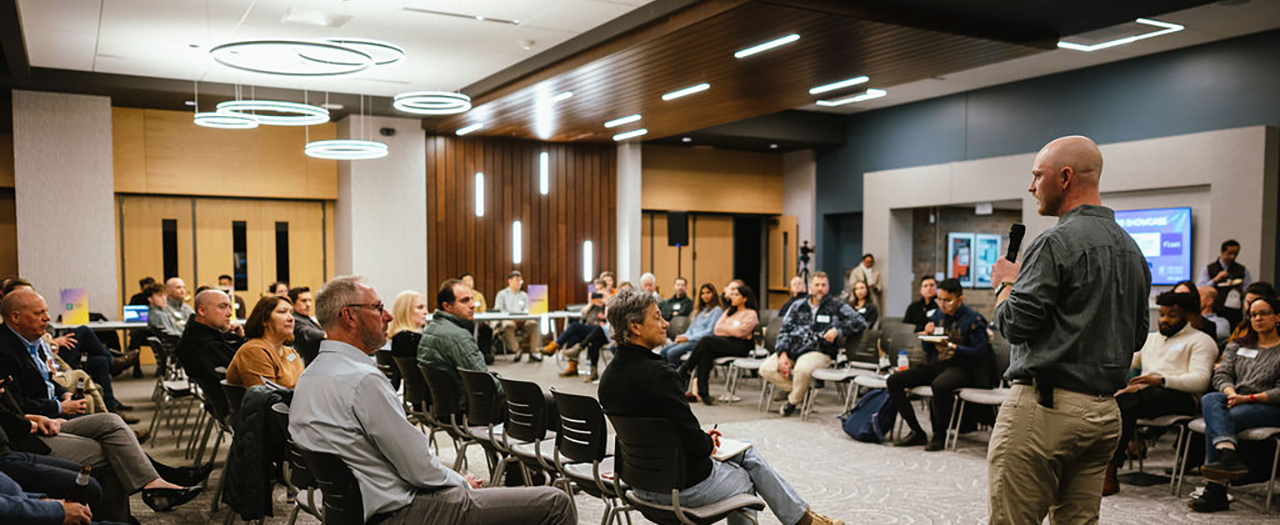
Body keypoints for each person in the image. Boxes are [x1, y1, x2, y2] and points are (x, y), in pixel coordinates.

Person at [291, 276, 574, 525]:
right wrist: (461, 481)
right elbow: (418, 468)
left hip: (351, 510)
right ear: (349, 316)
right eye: (378, 308)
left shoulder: (309, 377)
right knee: (556, 503)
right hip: (399, 511)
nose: (388, 315)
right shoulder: (363, 380)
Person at [988, 136, 1150, 525]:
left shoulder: (1053, 242)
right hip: (1103, 416)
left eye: (1036, 176)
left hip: (1044, 412)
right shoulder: (1132, 249)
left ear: (1064, 177)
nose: (1031, 187)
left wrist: (1004, 284)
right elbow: (1138, 337)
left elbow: (1014, 324)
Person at [597, 289, 843, 525]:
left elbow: (667, 432)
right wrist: (707, 442)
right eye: (657, 317)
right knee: (745, 479)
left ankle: (805, 519)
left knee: (749, 454)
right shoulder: (660, 375)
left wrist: (702, 440)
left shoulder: (607, 379)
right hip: (679, 487)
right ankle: (804, 521)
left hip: (639, 481)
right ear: (635, 327)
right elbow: (695, 448)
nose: (665, 324)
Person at [1103, 291, 1216, 496]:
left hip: (1181, 396)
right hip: (1145, 393)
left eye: (1171, 315)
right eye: (1162, 314)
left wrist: (1161, 380)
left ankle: (1110, 471)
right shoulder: (1152, 339)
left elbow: (1200, 381)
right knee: (1114, 399)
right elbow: (1128, 364)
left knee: (1127, 403)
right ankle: (1097, 465)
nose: (1164, 319)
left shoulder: (1202, 341)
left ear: (1187, 316)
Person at [1189, 295, 1280, 512]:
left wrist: (1247, 398)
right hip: (1235, 399)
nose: (1257, 318)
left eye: (1264, 313)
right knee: (1211, 398)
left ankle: (1215, 489)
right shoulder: (1237, 345)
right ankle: (1226, 452)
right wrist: (1231, 393)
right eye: (1253, 315)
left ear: (1277, 316)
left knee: (1222, 418)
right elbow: (1221, 376)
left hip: (1269, 405)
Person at [887, 278, 991, 450]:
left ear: (959, 299)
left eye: (947, 300)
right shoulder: (937, 316)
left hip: (964, 367)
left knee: (939, 385)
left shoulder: (974, 319)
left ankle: (939, 435)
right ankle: (916, 432)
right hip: (939, 364)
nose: (942, 304)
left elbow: (981, 354)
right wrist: (927, 336)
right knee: (894, 380)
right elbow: (927, 348)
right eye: (939, 299)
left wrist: (952, 347)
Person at [761, 272, 865, 417]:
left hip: (819, 350)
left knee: (801, 370)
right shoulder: (797, 305)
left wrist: (838, 330)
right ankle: (802, 390)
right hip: (793, 348)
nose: (820, 288)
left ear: (828, 287)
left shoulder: (836, 306)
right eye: (817, 285)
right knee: (766, 369)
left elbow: (860, 321)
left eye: (823, 285)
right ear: (810, 287)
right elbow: (784, 330)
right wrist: (783, 354)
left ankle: (792, 402)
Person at [418, 279, 495, 411]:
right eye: (465, 300)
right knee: (537, 401)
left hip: (442, 407)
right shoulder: (458, 337)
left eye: (472, 299)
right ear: (447, 306)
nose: (472, 305)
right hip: (468, 410)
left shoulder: (432, 328)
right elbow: (483, 382)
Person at [678, 284, 759, 405]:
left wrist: (727, 329)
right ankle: (703, 393)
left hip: (741, 345)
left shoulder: (751, 314)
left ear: (745, 298)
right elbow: (716, 329)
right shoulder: (729, 312)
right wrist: (731, 328)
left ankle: (686, 369)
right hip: (725, 342)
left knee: (706, 341)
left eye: (737, 295)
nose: (733, 297)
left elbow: (741, 332)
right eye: (733, 295)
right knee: (706, 352)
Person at [174, 290, 245, 419]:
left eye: (230, 307)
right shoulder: (208, 346)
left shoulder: (195, 334)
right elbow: (245, 370)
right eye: (222, 307)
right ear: (202, 311)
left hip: (224, 407)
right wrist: (243, 342)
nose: (229, 313)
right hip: (236, 411)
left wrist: (239, 339)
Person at [225, 296, 303, 389]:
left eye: (291, 313)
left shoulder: (291, 353)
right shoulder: (254, 351)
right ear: (264, 320)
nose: (291, 318)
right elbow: (268, 399)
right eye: (282, 312)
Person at [543, 283, 607, 377]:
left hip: (600, 330)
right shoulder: (593, 303)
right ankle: (572, 368)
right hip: (589, 329)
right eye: (596, 290)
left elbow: (608, 318)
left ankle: (555, 346)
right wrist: (591, 303)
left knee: (574, 326)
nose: (597, 293)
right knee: (574, 335)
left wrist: (605, 301)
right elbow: (583, 314)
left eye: (600, 289)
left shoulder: (608, 302)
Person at [660, 283, 724, 366]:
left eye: (708, 292)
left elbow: (709, 331)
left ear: (713, 294)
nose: (705, 295)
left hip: (699, 342)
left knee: (671, 353)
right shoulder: (701, 311)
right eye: (703, 293)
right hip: (690, 339)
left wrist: (687, 338)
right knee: (663, 352)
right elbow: (691, 329)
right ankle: (667, 376)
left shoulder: (717, 310)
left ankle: (682, 375)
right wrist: (682, 336)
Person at [1197, 240, 1251, 330]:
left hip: (1234, 311)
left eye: (1235, 254)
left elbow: (1248, 290)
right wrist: (1215, 280)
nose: (1232, 257)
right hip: (1215, 309)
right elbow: (1200, 288)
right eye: (1230, 253)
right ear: (1222, 252)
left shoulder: (1242, 269)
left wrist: (1241, 289)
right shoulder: (1209, 268)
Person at [493, 271, 541, 362]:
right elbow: (499, 310)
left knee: (534, 324)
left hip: (524, 320)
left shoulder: (524, 295)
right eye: (516, 281)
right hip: (509, 320)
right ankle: (517, 350)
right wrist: (511, 318)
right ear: (509, 281)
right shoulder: (502, 294)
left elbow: (528, 310)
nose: (519, 283)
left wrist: (524, 317)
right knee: (507, 326)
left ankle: (534, 352)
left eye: (520, 281)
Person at [460, 273, 495, 364]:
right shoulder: (458, 295)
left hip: (478, 321)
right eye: (466, 281)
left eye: (470, 280)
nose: (468, 282)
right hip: (464, 321)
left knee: (487, 330)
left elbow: (483, 310)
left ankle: (486, 354)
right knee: (467, 328)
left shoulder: (478, 295)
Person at [287, 286, 324, 364]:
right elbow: (305, 332)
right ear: (292, 304)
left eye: (310, 300)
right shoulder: (293, 319)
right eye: (304, 301)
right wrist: (326, 335)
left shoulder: (305, 318)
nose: (308, 304)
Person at [388, 291, 428, 358]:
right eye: (420, 307)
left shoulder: (398, 337)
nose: (426, 312)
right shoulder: (409, 339)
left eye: (425, 307)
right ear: (405, 311)